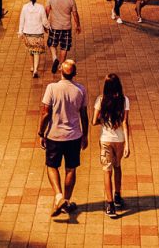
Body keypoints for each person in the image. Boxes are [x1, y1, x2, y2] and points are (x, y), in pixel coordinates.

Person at [38, 59, 89, 216]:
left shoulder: (52, 88)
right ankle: (66, 200)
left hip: (54, 135)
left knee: (52, 166)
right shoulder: (81, 90)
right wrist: (85, 135)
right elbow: (84, 115)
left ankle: (59, 196)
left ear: (61, 71)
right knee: (70, 168)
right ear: (75, 74)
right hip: (74, 135)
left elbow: (46, 112)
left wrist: (41, 132)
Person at [92, 73, 131, 218]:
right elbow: (125, 123)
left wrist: (104, 119)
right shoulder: (124, 100)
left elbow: (94, 121)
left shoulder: (101, 100)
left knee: (106, 170)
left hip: (105, 140)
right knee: (117, 166)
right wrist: (127, 144)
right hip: (120, 140)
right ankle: (117, 195)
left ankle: (109, 204)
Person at [45, 0, 81, 73]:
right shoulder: (71, 1)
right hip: (66, 27)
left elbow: (47, 11)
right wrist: (78, 25)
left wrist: (45, 24)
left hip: (54, 26)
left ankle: (54, 58)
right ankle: (61, 65)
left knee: (52, 44)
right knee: (64, 47)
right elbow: (75, 14)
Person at [18, 0, 48, 77]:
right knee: (36, 52)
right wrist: (48, 27)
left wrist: (20, 31)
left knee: (30, 50)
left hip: (28, 32)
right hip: (38, 32)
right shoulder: (40, 7)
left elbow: (22, 20)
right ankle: (35, 70)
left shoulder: (24, 7)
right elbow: (44, 21)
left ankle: (32, 66)